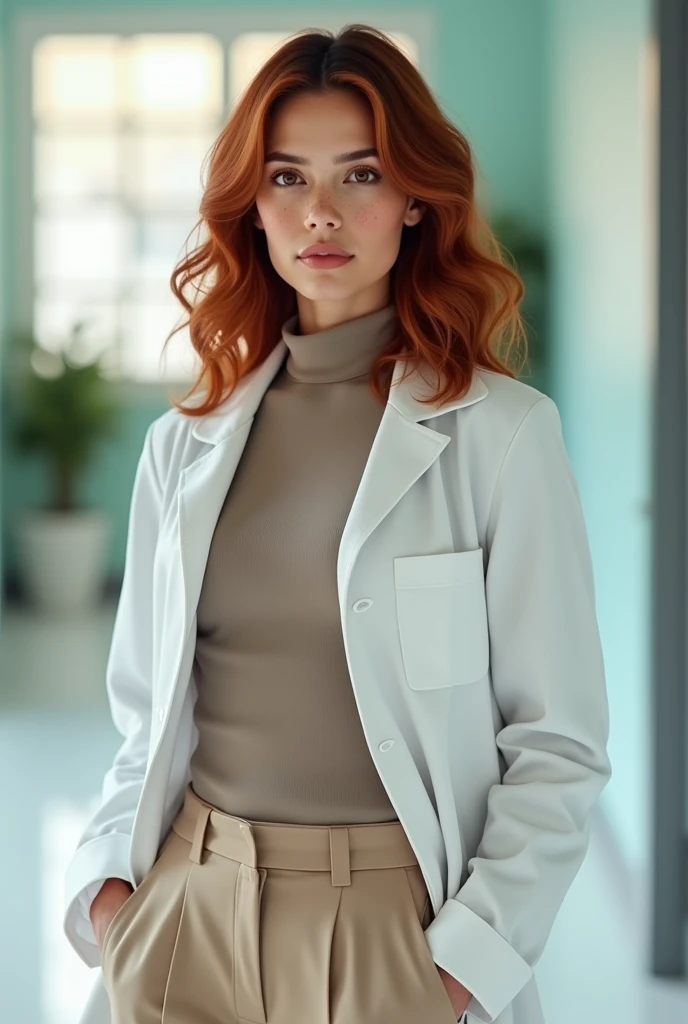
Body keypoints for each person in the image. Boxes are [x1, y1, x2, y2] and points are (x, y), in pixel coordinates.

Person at [63, 23, 612, 1024]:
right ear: (253, 207)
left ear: (414, 199)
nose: (320, 211)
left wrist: (456, 972)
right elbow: (143, 718)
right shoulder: (182, 446)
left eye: (359, 174)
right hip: (187, 913)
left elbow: (556, 742)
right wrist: (113, 900)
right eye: (285, 177)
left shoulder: (503, 437)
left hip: (391, 937)